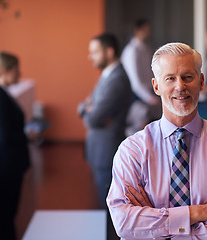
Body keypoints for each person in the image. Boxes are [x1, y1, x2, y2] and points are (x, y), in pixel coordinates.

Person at [107, 42, 207, 239]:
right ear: (156, 86)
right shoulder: (132, 150)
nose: (180, 86)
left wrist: (155, 225)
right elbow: (124, 224)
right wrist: (197, 213)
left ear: (201, 82)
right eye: (170, 78)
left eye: (187, 77)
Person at [78, 33, 133, 208]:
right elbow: (86, 104)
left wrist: (89, 110)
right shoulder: (108, 74)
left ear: (109, 52)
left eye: (94, 52)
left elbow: (93, 118)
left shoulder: (117, 80)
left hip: (107, 151)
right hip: (100, 148)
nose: (90, 56)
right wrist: (87, 108)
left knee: (109, 209)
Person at [0, 51, 30, 240]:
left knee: (5, 214)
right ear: (5, 71)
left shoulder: (1, 94)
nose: (19, 74)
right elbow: (4, 138)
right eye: (16, 70)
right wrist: (27, 135)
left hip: (9, 164)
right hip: (6, 166)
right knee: (1, 217)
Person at [121, 19, 161, 135]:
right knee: (137, 132)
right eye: (145, 30)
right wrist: (149, 97)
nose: (149, 33)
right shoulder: (131, 51)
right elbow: (134, 81)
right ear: (137, 31)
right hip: (137, 96)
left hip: (149, 92)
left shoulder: (146, 49)